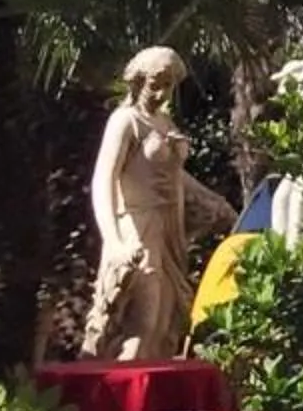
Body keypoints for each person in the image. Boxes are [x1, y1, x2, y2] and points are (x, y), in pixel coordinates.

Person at [81, 46, 237, 360]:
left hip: (170, 229)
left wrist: (214, 201)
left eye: (169, 85)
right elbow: (103, 180)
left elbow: (177, 176)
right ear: (138, 81)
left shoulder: (164, 123)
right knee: (143, 321)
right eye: (157, 83)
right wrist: (113, 242)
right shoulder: (126, 121)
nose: (162, 93)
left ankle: (150, 396)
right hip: (139, 228)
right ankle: (120, 394)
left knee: (168, 323)